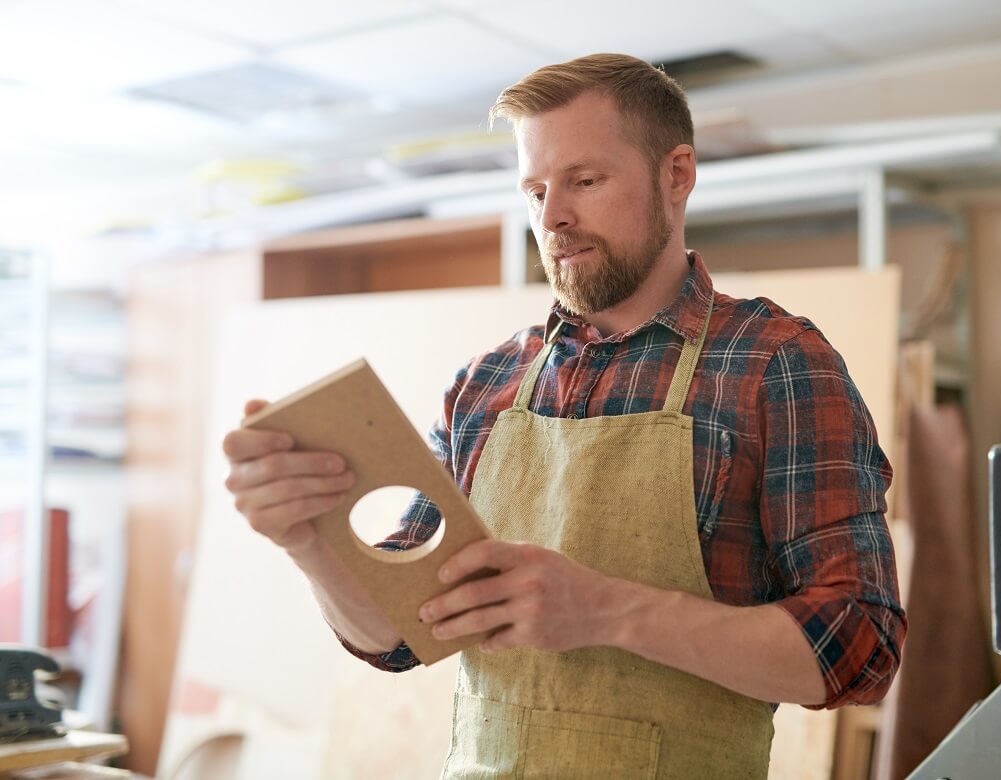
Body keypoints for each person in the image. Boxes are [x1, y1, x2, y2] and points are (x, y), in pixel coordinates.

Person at [223, 53, 906, 778]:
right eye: (535, 190)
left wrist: (609, 612)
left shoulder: (775, 365)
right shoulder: (487, 385)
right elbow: (398, 635)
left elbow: (857, 648)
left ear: (677, 175)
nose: (552, 218)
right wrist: (307, 544)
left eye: (584, 181)